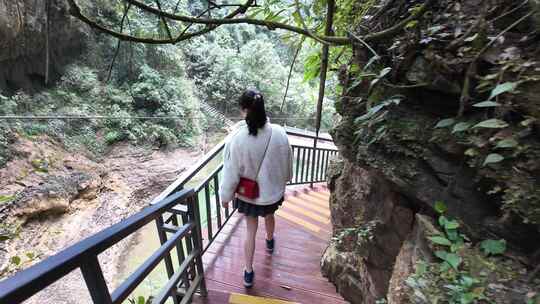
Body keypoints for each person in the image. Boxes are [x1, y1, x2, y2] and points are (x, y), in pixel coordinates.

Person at [219, 89, 293, 288]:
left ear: (244, 111)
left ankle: (249, 272)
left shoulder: (238, 138)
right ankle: (270, 241)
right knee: (270, 216)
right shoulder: (279, 132)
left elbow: (230, 173)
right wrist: (285, 180)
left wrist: (225, 196)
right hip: (271, 193)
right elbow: (287, 162)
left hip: (250, 195)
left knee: (250, 230)